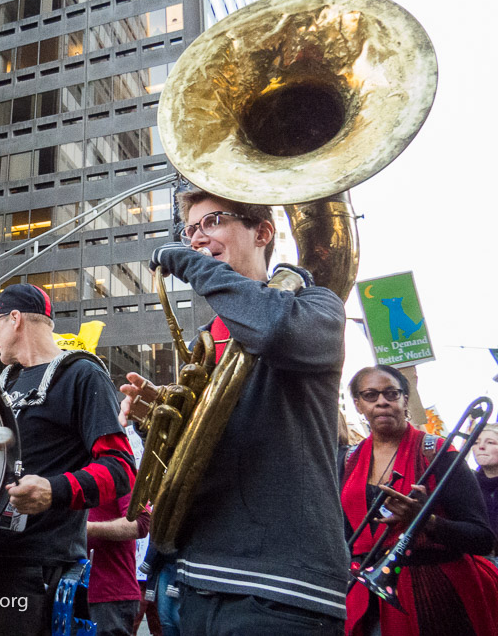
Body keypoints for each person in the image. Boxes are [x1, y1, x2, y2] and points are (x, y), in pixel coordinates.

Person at [119, 189, 349, 633]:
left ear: (263, 232)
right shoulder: (211, 337)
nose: (197, 239)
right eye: (190, 231)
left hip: (282, 586)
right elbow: (196, 460)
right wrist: (158, 424)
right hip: (196, 579)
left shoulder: (317, 305)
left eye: (213, 222)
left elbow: (274, 329)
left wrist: (189, 262)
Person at [0, 284, 135, 636]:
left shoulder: (83, 375)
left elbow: (120, 468)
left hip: (31, 567)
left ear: (15, 319)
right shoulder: (3, 382)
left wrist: (54, 489)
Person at [342, 365, 498, 636]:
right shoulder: (346, 459)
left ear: (405, 399)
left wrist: (426, 520)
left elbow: (483, 538)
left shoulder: (438, 452)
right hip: (366, 599)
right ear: (357, 404)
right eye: (370, 395)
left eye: (391, 393)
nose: (382, 401)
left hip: (440, 597)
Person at [87, 493, 150, 636]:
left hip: (109, 597)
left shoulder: (121, 472)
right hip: (74, 591)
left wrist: (85, 528)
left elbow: (141, 523)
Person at [474, 423, 498, 553]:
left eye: (490, 442)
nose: (481, 447)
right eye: (476, 442)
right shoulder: (467, 484)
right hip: (479, 559)